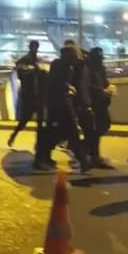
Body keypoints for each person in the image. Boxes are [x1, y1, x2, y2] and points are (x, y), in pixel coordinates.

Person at [37, 45, 90, 173]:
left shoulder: (67, 66)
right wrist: (68, 87)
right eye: (74, 55)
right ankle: (83, 161)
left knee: (63, 134)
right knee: (70, 133)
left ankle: (43, 157)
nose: (76, 57)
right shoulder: (61, 65)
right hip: (60, 105)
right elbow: (56, 82)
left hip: (62, 104)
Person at [9, 40, 44, 147]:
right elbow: (20, 72)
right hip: (29, 94)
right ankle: (14, 135)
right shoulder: (25, 60)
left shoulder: (37, 60)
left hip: (38, 94)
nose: (35, 49)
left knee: (40, 121)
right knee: (25, 119)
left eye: (36, 47)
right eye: (33, 46)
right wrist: (31, 70)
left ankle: (38, 143)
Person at [87, 47, 116, 169]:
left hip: (101, 101)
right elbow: (87, 85)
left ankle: (88, 150)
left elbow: (104, 81)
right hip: (92, 102)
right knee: (96, 129)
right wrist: (101, 90)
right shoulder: (87, 69)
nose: (100, 60)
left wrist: (109, 87)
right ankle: (94, 155)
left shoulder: (101, 68)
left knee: (104, 125)